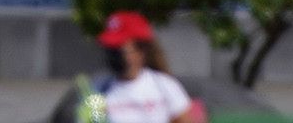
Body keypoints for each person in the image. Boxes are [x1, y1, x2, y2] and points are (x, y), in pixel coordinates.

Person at [75, 14, 205, 123]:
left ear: (141, 51)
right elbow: (93, 119)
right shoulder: (98, 90)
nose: (113, 55)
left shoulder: (164, 86)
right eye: (110, 50)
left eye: (119, 50)